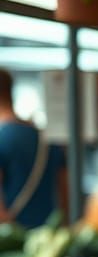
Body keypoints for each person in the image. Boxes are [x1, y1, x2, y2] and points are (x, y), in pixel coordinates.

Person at [0, 68, 67, 228]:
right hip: (47, 237)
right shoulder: (47, 138)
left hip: (12, 242)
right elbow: (65, 195)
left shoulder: (2, 138)